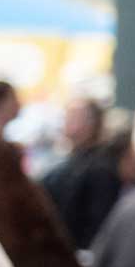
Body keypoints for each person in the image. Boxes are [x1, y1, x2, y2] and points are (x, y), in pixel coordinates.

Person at [41, 98, 124, 249]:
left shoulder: (101, 168)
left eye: (72, 116)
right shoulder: (72, 161)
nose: (65, 121)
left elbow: (99, 226)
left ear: (90, 124)